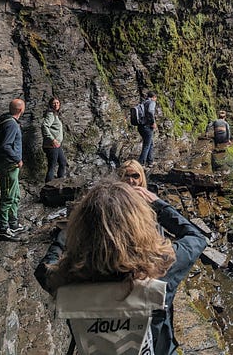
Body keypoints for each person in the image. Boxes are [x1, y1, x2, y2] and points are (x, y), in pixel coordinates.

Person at [34, 181, 207, 355]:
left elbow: (44, 268)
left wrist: (65, 236)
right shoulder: (161, 269)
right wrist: (158, 205)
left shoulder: (65, 278)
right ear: (141, 224)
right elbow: (196, 238)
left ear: (82, 229)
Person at [0, 98, 26, 242]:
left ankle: (13, 224)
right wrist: (17, 159)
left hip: (10, 166)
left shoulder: (7, 121)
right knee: (7, 198)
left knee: (15, 195)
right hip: (8, 166)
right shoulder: (12, 125)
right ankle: (3, 230)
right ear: (20, 110)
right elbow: (5, 146)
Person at [41, 96, 68, 183]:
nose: (56, 104)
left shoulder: (55, 115)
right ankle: (48, 187)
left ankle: (60, 183)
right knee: (52, 166)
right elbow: (44, 126)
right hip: (51, 145)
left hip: (57, 145)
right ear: (50, 105)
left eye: (57, 103)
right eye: (54, 103)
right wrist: (52, 139)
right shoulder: (50, 114)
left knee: (63, 162)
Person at [138, 91, 158, 168]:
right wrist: (153, 122)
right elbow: (150, 111)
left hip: (141, 126)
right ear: (153, 97)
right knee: (147, 145)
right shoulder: (152, 102)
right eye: (155, 98)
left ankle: (150, 161)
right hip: (147, 127)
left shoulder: (143, 102)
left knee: (150, 143)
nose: (156, 99)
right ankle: (141, 163)